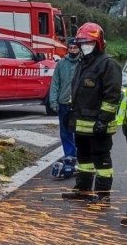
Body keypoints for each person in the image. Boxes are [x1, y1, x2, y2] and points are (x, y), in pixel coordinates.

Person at [61, 23, 121, 203]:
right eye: (82, 43)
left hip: (98, 124)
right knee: (84, 157)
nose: (85, 46)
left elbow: (111, 97)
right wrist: (70, 113)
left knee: (101, 159)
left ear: (98, 43)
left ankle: (102, 195)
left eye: (89, 43)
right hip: (81, 123)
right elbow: (77, 92)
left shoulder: (108, 65)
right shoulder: (82, 63)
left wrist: (103, 120)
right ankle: (83, 189)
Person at [48, 38, 79, 178]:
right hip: (64, 103)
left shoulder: (83, 63)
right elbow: (55, 83)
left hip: (79, 104)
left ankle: (80, 155)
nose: (73, 50)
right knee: (65, 132)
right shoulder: (61, 64)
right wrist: (53, 101)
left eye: (75, 47)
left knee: (79, 132)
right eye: (71, 47)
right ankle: (70, 156)